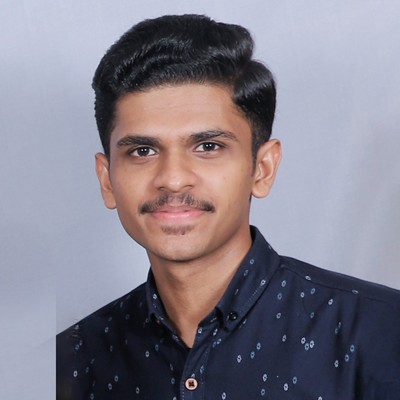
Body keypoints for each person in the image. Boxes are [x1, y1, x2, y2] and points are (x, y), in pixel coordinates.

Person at [56, 14, 400, 399]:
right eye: (143, 151)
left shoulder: (381, 334)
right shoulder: (71, 362)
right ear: (107, 180)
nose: (173, 179)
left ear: (262, 168)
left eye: (208, 147)